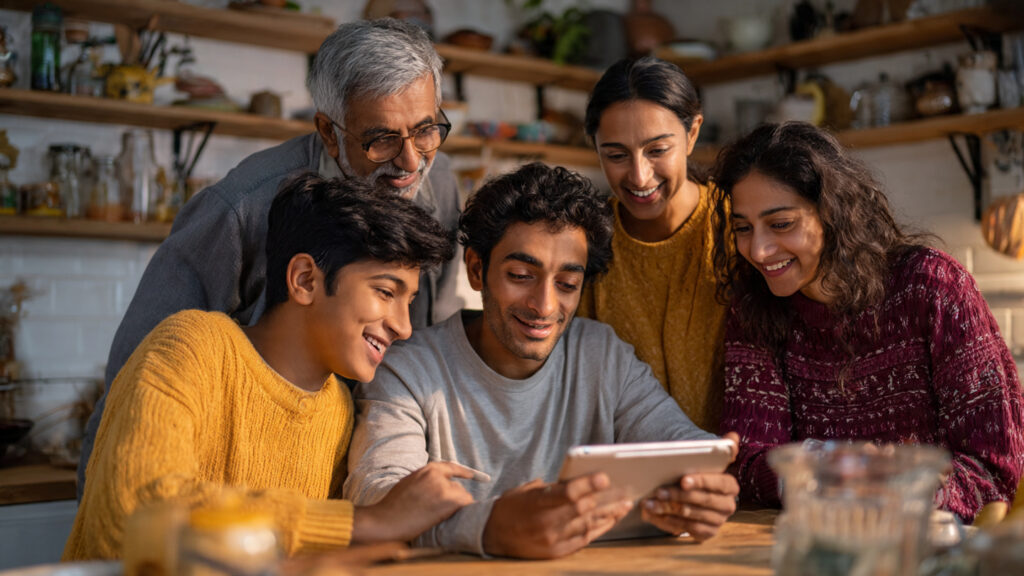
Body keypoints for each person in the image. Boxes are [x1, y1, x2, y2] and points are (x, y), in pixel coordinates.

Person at [78, 18, 464, 498]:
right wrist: (104, 504)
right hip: (225, 495)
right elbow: (137, 382)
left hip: (352, 472)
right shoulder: (241, 209)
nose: (410, 162)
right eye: (382, 139)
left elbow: (428, 345)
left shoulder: (439, 182)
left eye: (425, 130)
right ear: (329, 132)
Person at [64, 174, 476, 560]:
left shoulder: (338, 409)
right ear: (305, 280)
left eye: (408, 301)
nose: (404, 327)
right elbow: (135, 513)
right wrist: (366, 522)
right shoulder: (192, 346)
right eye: (385, 292)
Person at [344, 163, 739, 559]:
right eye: (520, 275)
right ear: (477, 270)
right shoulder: (408, 370)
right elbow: (377, 498)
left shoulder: (603, 356)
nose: (545, 306)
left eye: (567, 284)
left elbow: (685, 446)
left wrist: (705, 491)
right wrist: (491, 529)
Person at [709, 122, 1024, 522]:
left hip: (930, 543)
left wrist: (901, 485)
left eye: (781, 224)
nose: (758, 250)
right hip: (813, 540)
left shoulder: (932, 287)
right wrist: (830, 466)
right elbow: (746, 459)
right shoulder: (754, 308)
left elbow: (995, 468)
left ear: (833, 213)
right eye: (743, 228)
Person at [578, 57, 725, 433]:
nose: (640, 176)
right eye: (616, 155)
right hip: (624, 463)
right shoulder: (585, 239)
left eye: (657, 150)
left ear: (692, 133)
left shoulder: (738, 226)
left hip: (735, 459)